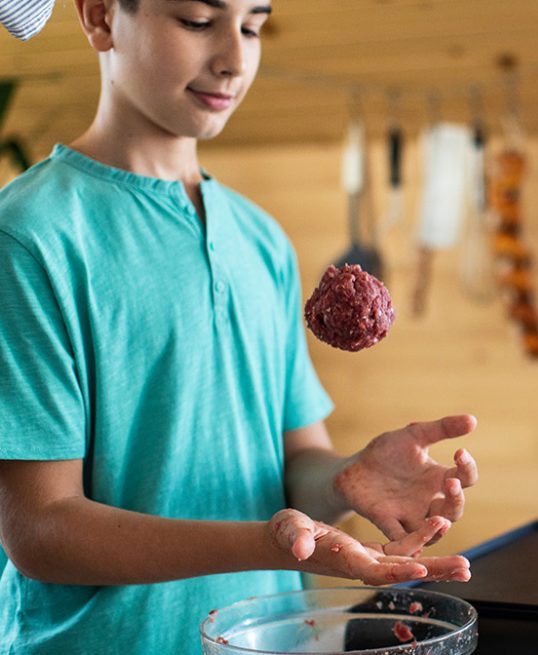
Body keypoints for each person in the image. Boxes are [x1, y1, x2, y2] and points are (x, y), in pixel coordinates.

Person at [0, 1, 479, 653]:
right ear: (101, 17)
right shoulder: (32, 238)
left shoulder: (262, 241)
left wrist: (343, 480)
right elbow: (40, 529)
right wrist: (267, 542)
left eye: (252, 26)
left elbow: (292, 464)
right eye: (198, 21)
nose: (234, 58)